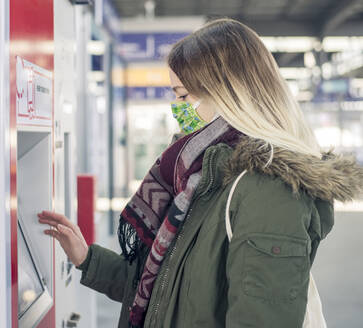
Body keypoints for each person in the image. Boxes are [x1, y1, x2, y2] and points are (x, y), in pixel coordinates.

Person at [38, 18, 363, 328]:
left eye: (182, 95)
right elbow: (166, 291)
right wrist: (87, 258)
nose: (177, 108)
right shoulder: (198, 179)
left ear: (227, 93)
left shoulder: (267, 189)